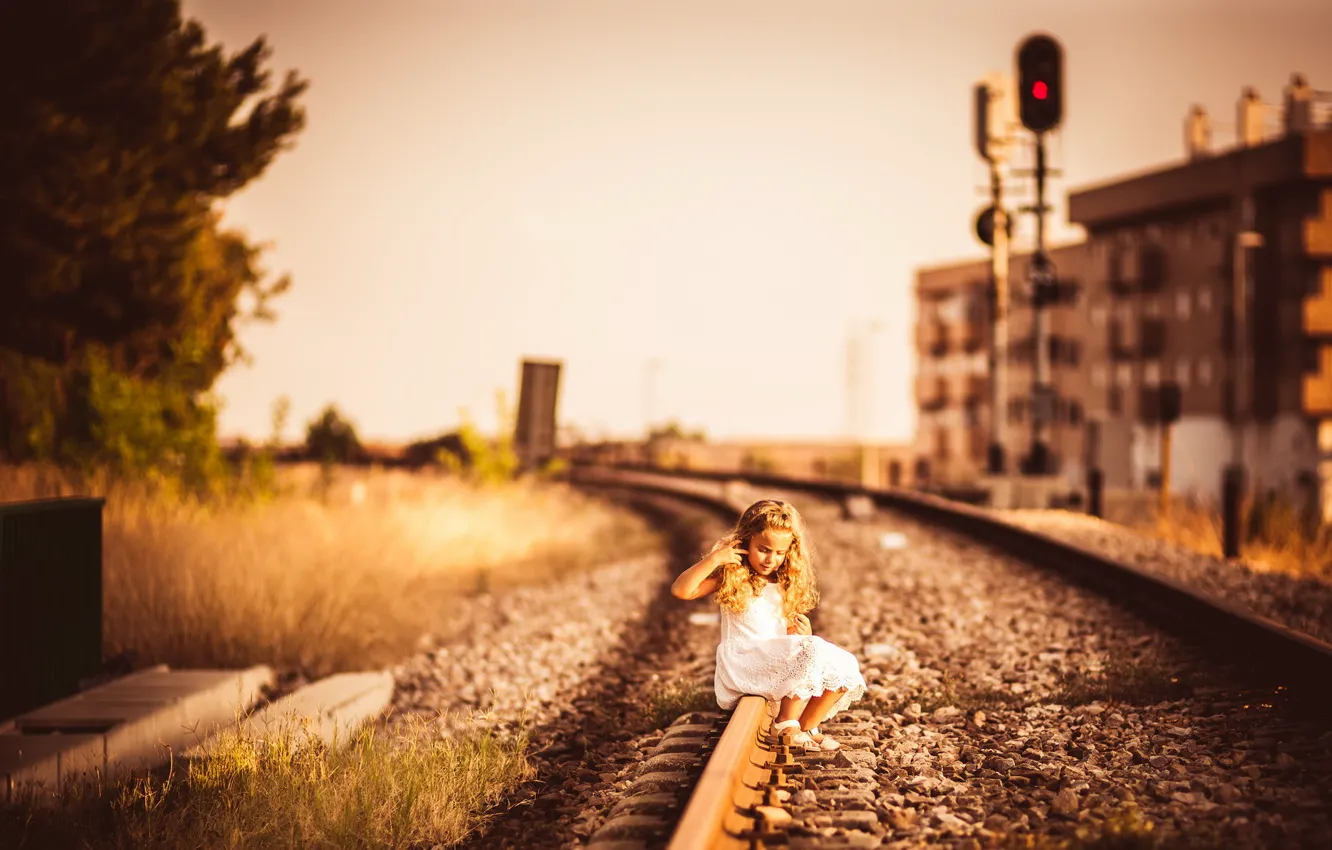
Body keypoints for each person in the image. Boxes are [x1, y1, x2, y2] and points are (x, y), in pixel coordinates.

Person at [670, 498, 866, 750]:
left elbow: (784, 633)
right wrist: (715, 559)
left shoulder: (785, 582)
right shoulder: (732, 576)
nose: (770, 559)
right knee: (813, 647)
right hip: (744, 659)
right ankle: (785, 723)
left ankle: (807, 727)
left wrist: (802, 635)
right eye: (763, 549)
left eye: (779, 553)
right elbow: (681, 590)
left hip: (771, 658)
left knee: (845, 662)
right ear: (746, 541)